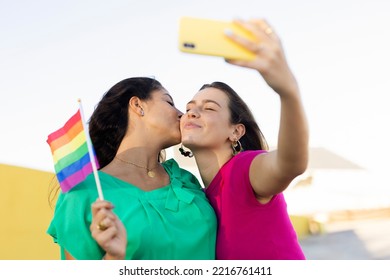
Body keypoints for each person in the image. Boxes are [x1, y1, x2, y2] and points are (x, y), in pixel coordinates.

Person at [179, 19, 309, 260]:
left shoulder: (246, 168)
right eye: (189, 107)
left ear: (236, 132)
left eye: (209, 108)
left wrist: (288, 92)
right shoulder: (202, 198)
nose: (192, 112)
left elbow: (291, 164)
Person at [47, 77, 217, 260]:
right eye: (169, 102)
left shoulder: (185, 179)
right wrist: (113, 258)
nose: (181, 114)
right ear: (138, 105)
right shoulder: (83, 193)